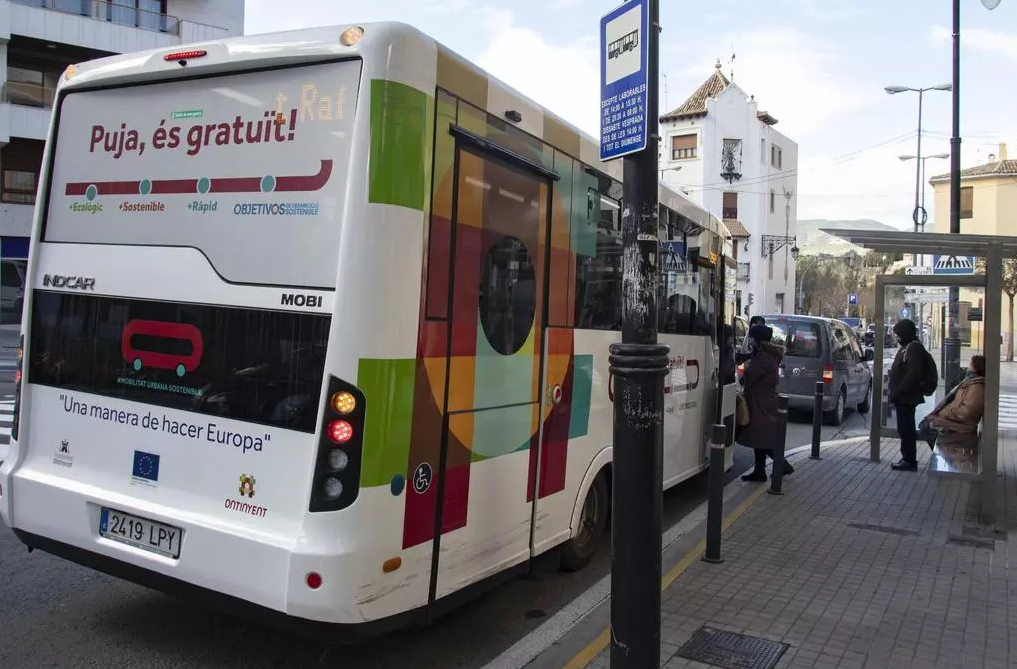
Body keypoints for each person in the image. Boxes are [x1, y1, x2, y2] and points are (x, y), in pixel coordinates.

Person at [736, 324, 794, 481]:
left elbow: (751, 377)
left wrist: (745, 369)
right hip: (761, 400)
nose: (751, 341)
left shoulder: (763, 358)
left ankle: (783, 465)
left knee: (763, 439)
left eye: (753, 338)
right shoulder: (763, 354)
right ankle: (759, 471)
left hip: (761, 402)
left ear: (758, 340)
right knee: (758, 438)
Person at [887, 318, 929, 471]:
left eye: (898, 334)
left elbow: (913, 374)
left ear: (905, 333)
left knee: (906, 428)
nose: (897, 337)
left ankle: (909, 460)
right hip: (904, 396)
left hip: (906, 397)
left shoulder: (913, 348)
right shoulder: (909, 346)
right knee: (904, 427)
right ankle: (907, 458)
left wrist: (898, 392)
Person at [920, 354, 985, 448]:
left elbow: (966, 413)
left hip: (962, 426)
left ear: (976, 368)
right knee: (925, 424)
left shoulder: (977, 387)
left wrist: (943, 413)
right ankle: (939, 448)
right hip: (956, 420)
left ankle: (940, 448)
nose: (968, 367)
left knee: (926, 426)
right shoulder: (970, 382)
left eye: (970, 365)